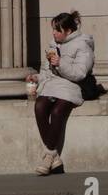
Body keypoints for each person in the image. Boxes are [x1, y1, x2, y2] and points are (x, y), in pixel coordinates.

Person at [24, 10, 96, 175]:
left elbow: (80, 73)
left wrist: (60, 63)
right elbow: (46, 71)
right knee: (40, 107)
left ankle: (48, 156)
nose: (54, 33)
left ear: (68, 31)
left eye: (57, 30)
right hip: (52, 85)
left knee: (57, 112)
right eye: (53, 29)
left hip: (71, 86)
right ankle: (55, 157)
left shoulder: (83, 45)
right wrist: (36, 77)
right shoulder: (52, 45)